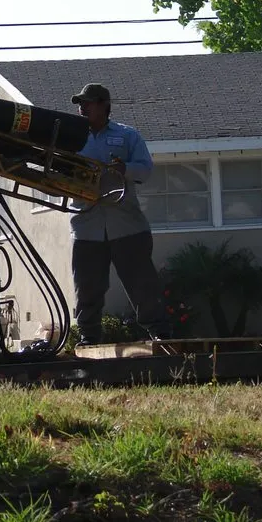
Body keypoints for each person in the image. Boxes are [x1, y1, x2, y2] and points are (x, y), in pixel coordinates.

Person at [69, 83, 170, 346]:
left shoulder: (127, 135)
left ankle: (159, 334)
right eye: (80, 103)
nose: (83, 107)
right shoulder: (70, 136)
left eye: (88, 102)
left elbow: (145, 170)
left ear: (104, 105)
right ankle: (88, 337)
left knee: (143, 285)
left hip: (127, 225)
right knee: (88, 286)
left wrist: (124, 169)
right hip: (86, 226)